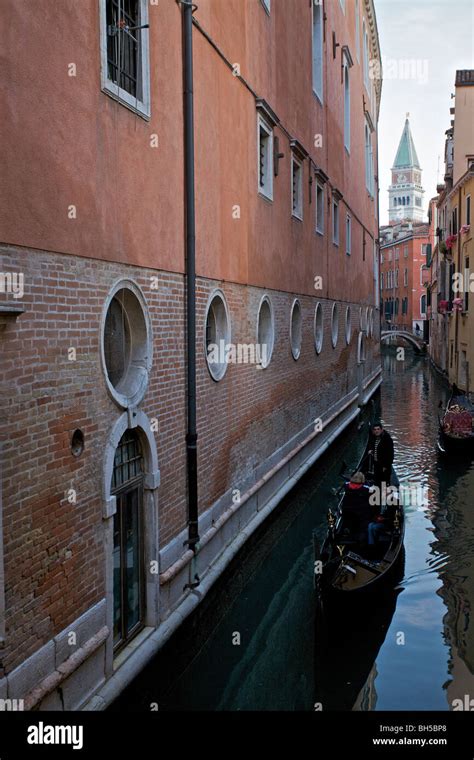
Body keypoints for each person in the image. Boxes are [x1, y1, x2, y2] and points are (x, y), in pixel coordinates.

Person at [341, 472, 376, 543]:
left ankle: (348, 529)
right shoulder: (366, 488)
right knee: (364, 524)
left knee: (349, 521)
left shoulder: (346, 485)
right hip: (361, 512)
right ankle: (362, 539)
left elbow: (346, 484)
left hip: (347, 510)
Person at [365, 420, 394, 487]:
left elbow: (390, 455)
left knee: (384, 483)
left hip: (384, 466)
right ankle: (378, 495)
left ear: (381, 430)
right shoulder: (375, 438)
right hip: (376, 464)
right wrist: (372, 450)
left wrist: (385, 466)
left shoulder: (387, 439)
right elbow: (376, 447)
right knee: (377, 482)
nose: (376, 431)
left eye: (378, 429)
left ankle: (383, 496)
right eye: (375, 429)